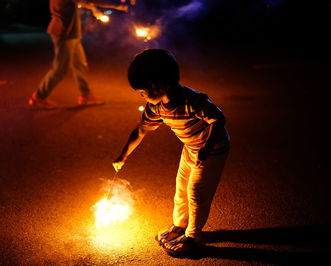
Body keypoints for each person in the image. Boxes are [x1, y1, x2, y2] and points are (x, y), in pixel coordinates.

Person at [113, 49, 230, 255]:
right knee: (181, 188)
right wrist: (123, 156)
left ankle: (193, 237)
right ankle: (180, 226)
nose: (141, 95)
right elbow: (141, 130)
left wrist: (207, 147)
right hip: (191, 148)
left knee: (196, 193)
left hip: (212, 150)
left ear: (157, 85)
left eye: (142, 91)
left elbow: (218, 119)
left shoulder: (191, 100)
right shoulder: (157, 108)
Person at [28, 0, 128, 108]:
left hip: (72, 34)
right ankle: (38, 97)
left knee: (80, 65)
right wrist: (117, 5)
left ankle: (85, 96)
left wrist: (94, 9)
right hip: (65, 33)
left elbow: (84, 3)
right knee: (60, 69)